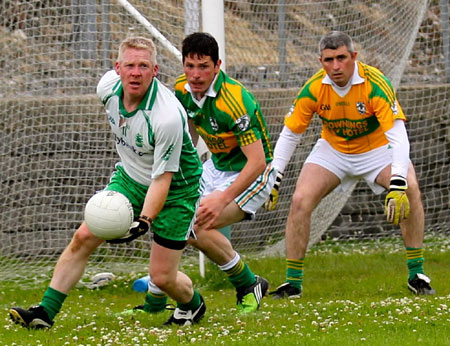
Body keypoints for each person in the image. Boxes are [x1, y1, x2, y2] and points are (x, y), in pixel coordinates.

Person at [9, 36, 206, 328]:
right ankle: (44, 312)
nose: (135, 72)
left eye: (143, 66)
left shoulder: (167, 116)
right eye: (129, 65)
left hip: (177, 190)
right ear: (118, 68)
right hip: (129, 178)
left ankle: (193, 305)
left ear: (155, 71)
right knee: (83, 237)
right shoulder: (106, 89)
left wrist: (144, 221)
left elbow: (163, 178)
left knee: (162, 277)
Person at [266, 31, 435, 299]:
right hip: (333, 150)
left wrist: (399, 181)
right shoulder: (313, 88)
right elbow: (290, 133)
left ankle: (417, 275)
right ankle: (292, 284)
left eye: (342, 58)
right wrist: (274, 177)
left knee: (411, 188)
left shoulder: (374, 83)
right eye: (329, 59)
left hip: (377, 149)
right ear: (320, 60)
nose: (336, 66)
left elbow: (398, 135)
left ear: (354, 57)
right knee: (299, 200)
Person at [128, 32, 276, 315]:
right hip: (215, 168)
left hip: (253, 173)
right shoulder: (182, 90)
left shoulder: (234, 101)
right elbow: (190, 134)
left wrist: (221, 199)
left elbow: (256, 161)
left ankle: (248, 283)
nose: (195, 75)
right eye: (190, 66)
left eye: (204, 66)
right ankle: (155, 302)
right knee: (167, 212)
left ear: (217, 65)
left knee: (193, 224)